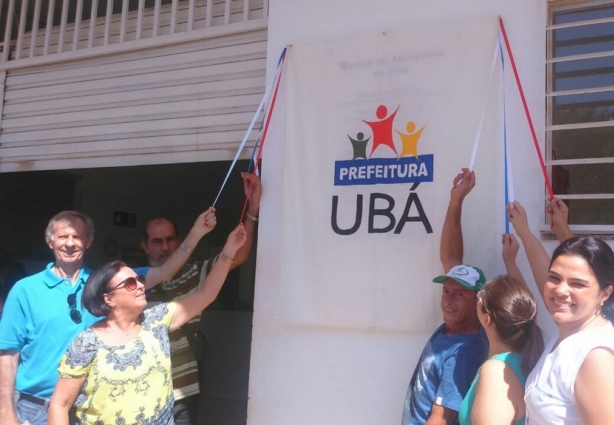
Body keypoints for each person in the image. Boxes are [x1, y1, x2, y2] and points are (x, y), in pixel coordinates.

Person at [0, 208, 215, 425]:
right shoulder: (25, 290)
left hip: (95, 409)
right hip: (38, 410)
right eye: (62, 236)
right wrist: (6, 414)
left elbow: (165, 271)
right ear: (50, 241)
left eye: (77, 236)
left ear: (89, 241)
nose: (70, 243)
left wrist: (196, 233)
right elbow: (7, 355)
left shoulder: (107, 285)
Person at [48, 224, 247, 425]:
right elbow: (60, 405)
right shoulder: (86, 343)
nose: (141, 286)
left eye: (140, 280)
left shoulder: (155, 320)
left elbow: (206, 294)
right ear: (108, 299)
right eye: (130, 284)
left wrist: (229, 250)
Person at [135, 171, 260, 425]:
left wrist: (252, 209)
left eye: (170, 239)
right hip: (139, 392)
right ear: (144, 247)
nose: (165, 247)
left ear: (179, 241)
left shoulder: (194, 273)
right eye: (156, 241)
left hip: (183, 392)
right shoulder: (131, 283)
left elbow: (238, 255)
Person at [508, 202, 614, 424]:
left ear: (605, 293)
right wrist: (524, 233)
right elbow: (547, 279)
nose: (561, 291)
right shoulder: (570, 330)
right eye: (555, 278)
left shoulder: (596, 359)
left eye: (578, 284)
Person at [402, 169, 489, 425]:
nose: (447, 300)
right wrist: (455, 201)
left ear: (478, 301)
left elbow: (441, 418)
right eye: (445, 291)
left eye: (459, 294)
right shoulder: (454, 330)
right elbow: (449, 257)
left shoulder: (465, 351)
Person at [458, 233, 545, 425]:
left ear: (487, 319)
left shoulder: (496, 371)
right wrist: (510, 262)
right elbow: (523, 308)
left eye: (480, 295)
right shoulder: (526, 359)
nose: (477, 297)